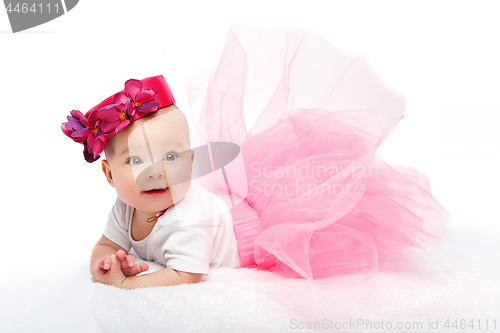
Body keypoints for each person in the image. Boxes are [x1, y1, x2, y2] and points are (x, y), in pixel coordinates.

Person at [62, 24, 449, 289]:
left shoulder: (187, 220)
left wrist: (130, 283)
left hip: (244, 236)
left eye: (172, 157)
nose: (157, 173)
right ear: (110, 177)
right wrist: (106, 264)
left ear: (193, 161)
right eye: (135, 162)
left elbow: (185, 276)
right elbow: (106, 245)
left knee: (316, 214)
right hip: (224, 206)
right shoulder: (125, 209)